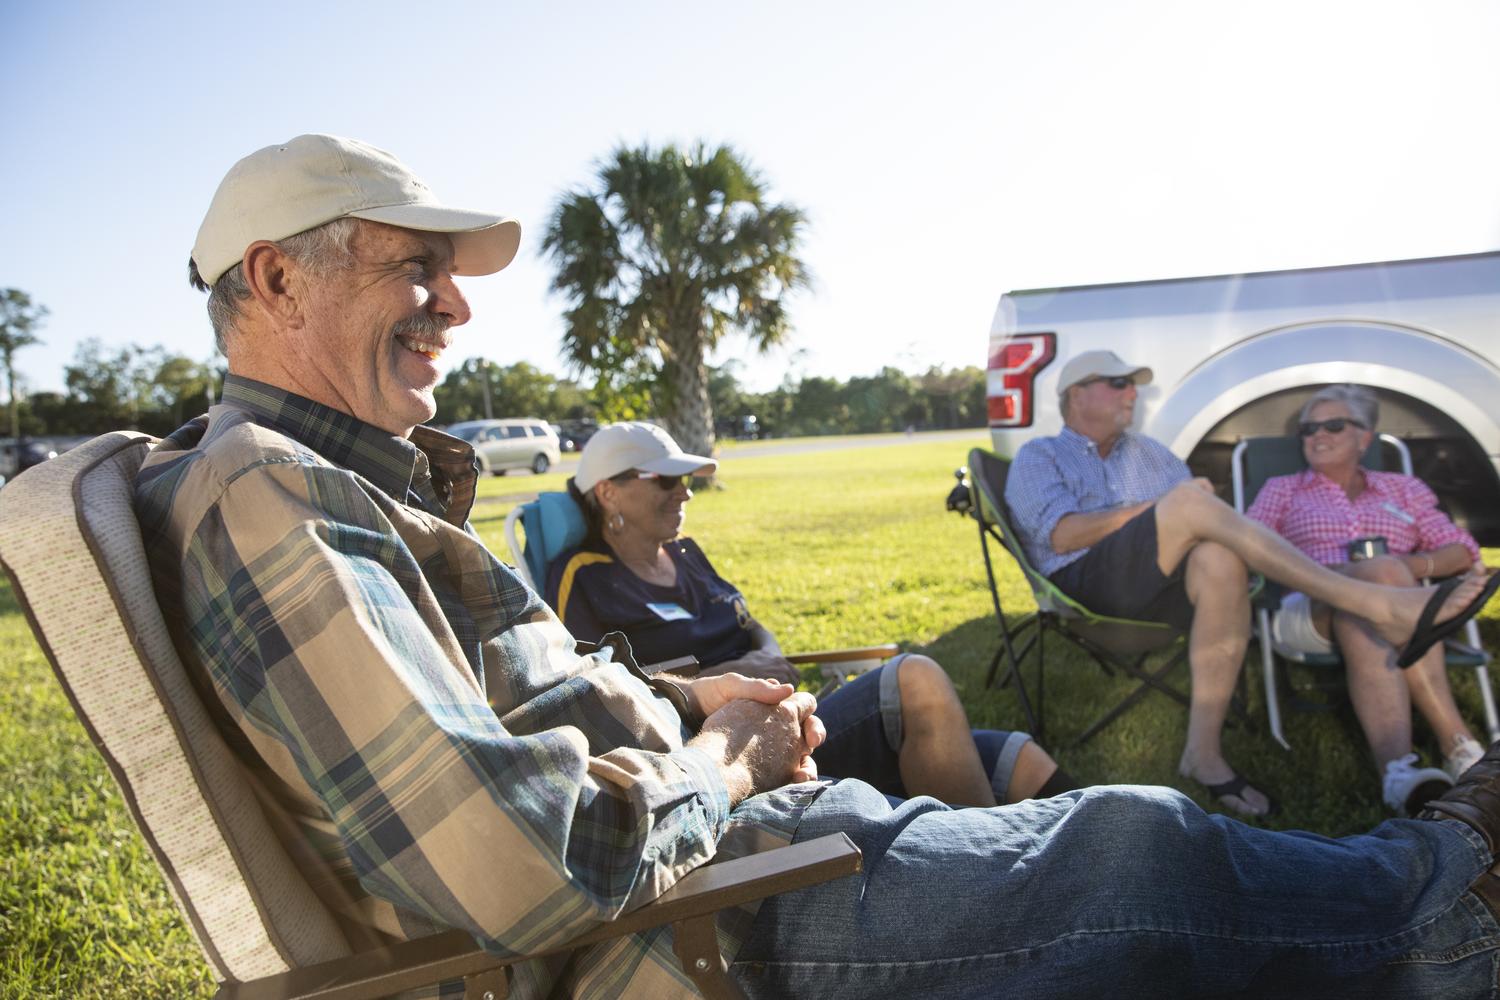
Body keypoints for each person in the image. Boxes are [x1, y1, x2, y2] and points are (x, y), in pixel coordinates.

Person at [137, 133, 1500, 998]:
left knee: (1109, 827)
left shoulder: (328, 486)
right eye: (413, 265)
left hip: (721, 847)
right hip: (697, 923)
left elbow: (517, 735)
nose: (457, 301)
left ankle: (1424, 866)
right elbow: (522, 872)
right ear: (274, 277)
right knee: (1130, 855)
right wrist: (724, 756)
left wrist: (695, 718)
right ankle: (1446, 895)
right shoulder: (273, 497)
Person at [1005, 350, 1500, 820]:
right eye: (1118, 384)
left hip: (1162, 587)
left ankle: (1203, 753)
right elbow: (1063, 533)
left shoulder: (1150, 455)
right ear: (1076, 394)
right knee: (1186, 504)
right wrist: (1165, 508)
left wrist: (1180, 508)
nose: (1132, 394)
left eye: (1132, 386)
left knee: (1219, 554)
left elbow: (1201, 526)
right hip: (1086, 585)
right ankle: (1373, 601)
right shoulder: (1040, 455)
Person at [545, 421, 1071, 807]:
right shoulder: (583, 577)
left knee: (1013, 756)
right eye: (666, 480)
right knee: (915, 680)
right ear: (609, 490)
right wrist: (723, 679)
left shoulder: (686, 554)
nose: (685, 491)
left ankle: (1095, 854)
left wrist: (768, 651)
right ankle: (996, 871)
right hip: (729, 754)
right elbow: (601, 691)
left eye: (686, 480)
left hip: (791, 724)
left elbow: (747, 623)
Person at [1247, 384, 1489, 812]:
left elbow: (1460, 550)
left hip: (1379, 608)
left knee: (1369, 602)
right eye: (1308, 428)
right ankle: (1461, 747)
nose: (1317, 435)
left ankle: (1397, 774)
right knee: (1383, 576)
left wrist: (1407, 569)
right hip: (1308, 607)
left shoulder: (1403, 489)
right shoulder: (1283, 489)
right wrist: (1381, 573)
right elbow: (1248, 551)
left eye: (1334, 425)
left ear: (1365, 438)